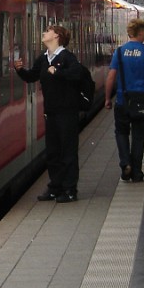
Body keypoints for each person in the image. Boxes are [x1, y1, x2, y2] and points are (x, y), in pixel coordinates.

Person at [14, 25, 83, 202]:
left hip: (67, 113)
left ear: (57, 36)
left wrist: (58, 72)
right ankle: (55, 187)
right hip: (51, 112)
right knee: (53, 152)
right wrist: (20, 70)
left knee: (67, 152)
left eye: (48, 31)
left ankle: (70, 189)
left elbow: (77, 74)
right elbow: (32, 76)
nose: (44, 33)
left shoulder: (67, 57)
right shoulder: (44, 58)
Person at [104, 18, 144, 183]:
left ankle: (125, 164)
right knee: (138, 137)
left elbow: (111, 77)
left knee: (121, 133)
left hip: (123, 100)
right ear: (141, 33)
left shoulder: (119, 52)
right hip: (142, 100)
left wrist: (107, 98)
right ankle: (137, 172)